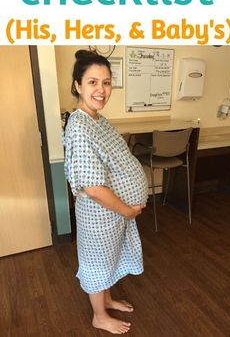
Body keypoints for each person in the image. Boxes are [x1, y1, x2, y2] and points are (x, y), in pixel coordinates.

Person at [64, 50, 148, 334]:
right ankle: (99, 315)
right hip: (100, 213)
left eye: (107, 82)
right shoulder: (79, 125)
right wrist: (127, 209)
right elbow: (93, 186)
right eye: (92, 82)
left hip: (113, 213)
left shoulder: (97, 119)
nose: (101, 90)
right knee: (97, 263)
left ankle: (107, 299)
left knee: (109, 256)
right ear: (77, 85)